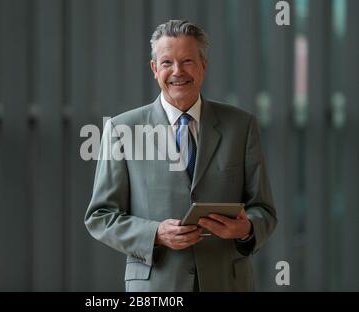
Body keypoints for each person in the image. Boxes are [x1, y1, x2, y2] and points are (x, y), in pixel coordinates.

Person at [84, 20, 277, 292]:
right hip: (157, 286)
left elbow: (264, 210)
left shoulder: (241, 126)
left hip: (228, 283)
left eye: (187, 61)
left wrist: (246, 230)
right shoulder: (122, 129)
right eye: (167, 63)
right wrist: (156, 234)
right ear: (154, 69)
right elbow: (100, 215)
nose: (177, 72)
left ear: (203, 67)